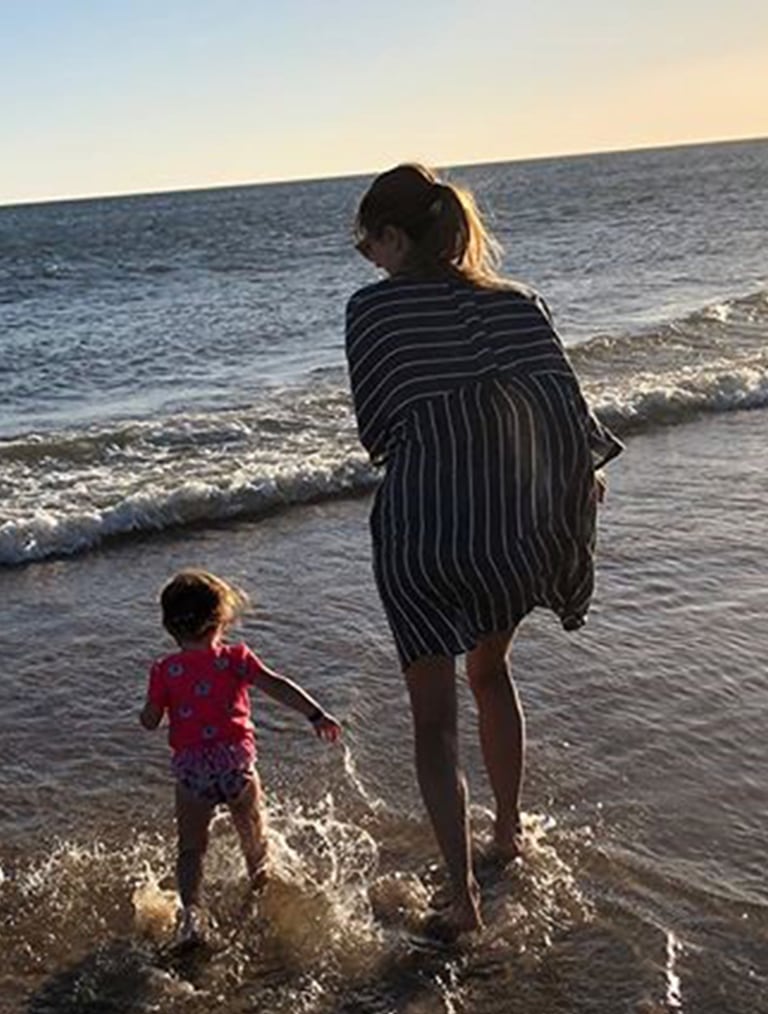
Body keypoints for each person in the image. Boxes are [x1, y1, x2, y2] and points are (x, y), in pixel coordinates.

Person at [345, 163, 623, 936]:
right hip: (512, 529)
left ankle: (463, 902)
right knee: (491, 672)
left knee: (433, 721)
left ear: (396, 236)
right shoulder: (520, 305)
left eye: (370, 243)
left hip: (424, 532)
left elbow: (379, 435)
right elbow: (570, 417)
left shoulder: (372, 313)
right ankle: (508, 831)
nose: (369, 260)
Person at [139, 569, 341, 944]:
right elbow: (278, 685)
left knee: (191, 848)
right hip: (235, 764)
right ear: (220, 621)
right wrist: (315, 714)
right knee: (254, 836)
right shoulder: (235, 659)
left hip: (193, 771)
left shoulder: (165, 670)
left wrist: (149, 713)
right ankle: (258, 892)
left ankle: (191, 917)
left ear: (169, 626)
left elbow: (150, 721)